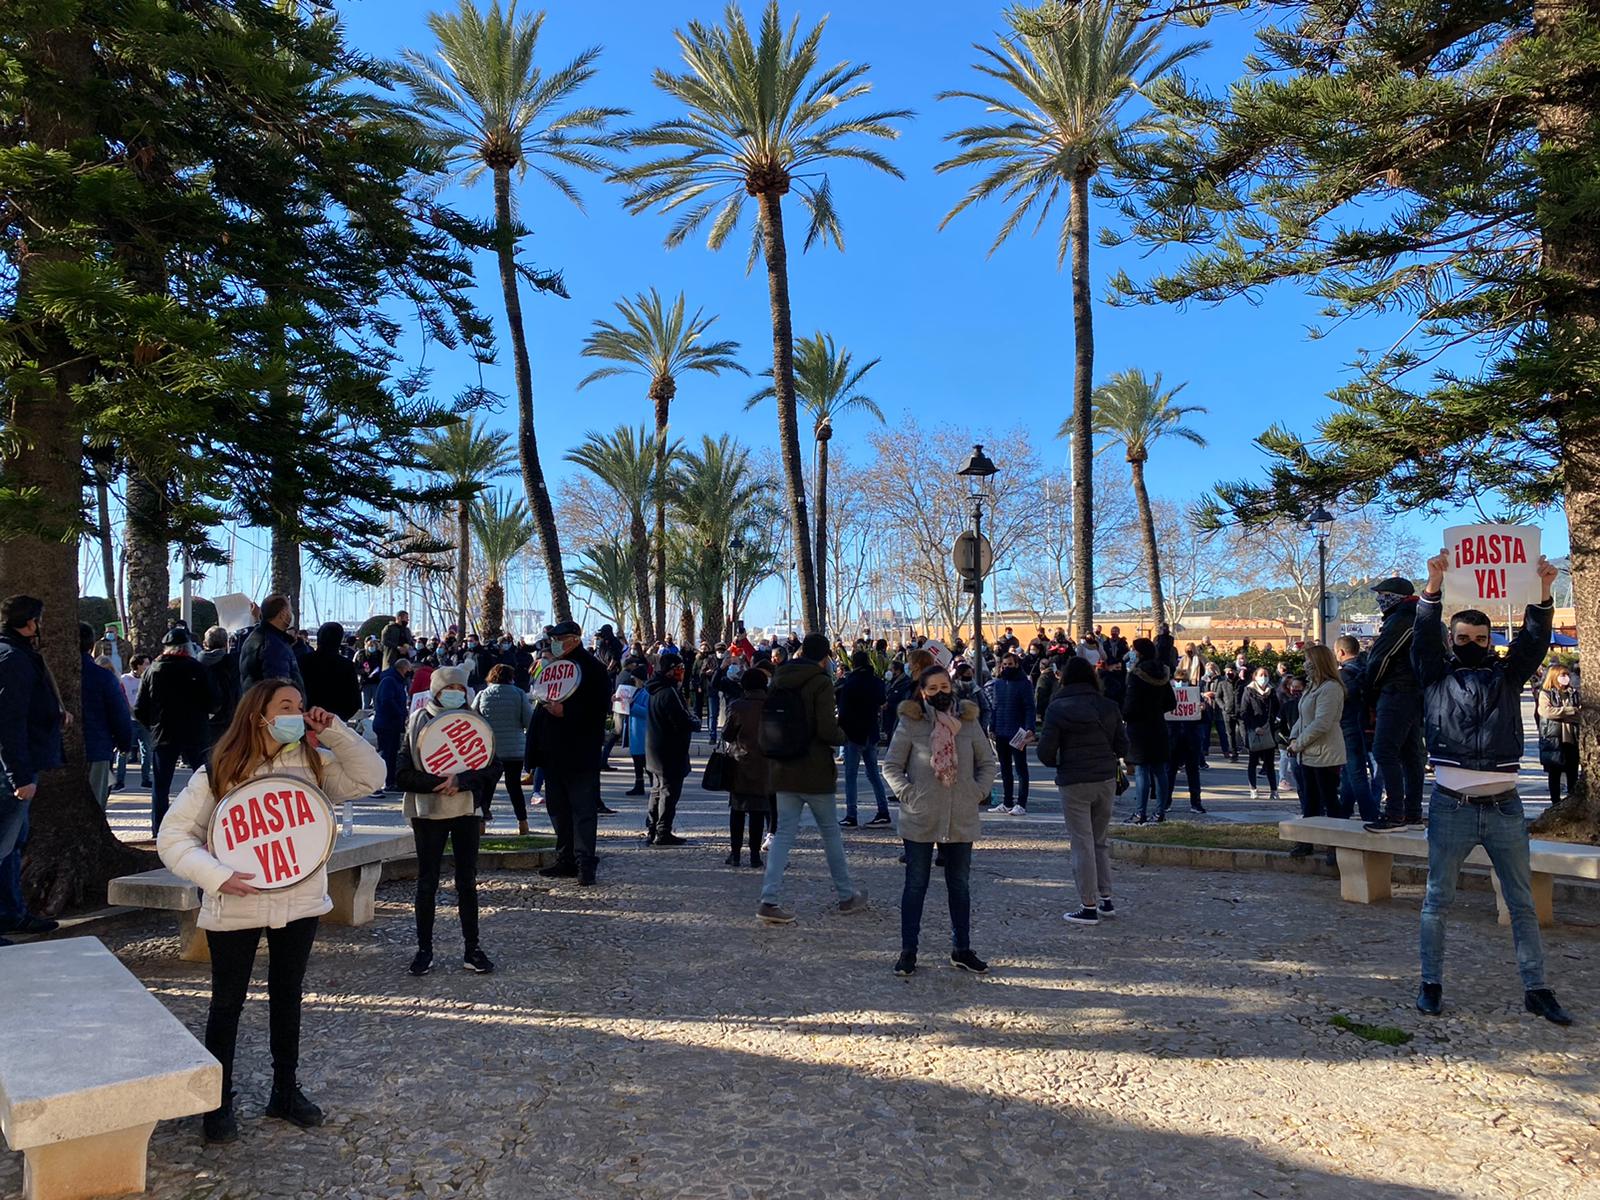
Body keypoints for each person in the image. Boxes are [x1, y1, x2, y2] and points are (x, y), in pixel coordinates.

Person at [158, 678, 385, 1142]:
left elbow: (371, 776)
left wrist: (336, 730)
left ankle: (285, 1090)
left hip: (299, 902)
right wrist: (216, 876)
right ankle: (216, 1103)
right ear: (257, 713)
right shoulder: (218, 769)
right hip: (236, 905)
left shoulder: (314, 765)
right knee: (227, 1003)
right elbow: (173, 837)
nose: (297, 713)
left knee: (288, 996)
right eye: (286, 705)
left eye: (300, 705)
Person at [1411, 550, 1569, 1025]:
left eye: (1481, 638)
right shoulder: (1435, 675)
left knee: (1522, 903)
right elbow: (1422, 639)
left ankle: (1537, 988)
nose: (1473, 643)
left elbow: (1533, 641)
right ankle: (1431, 983)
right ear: (1452, 640)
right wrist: (1433, 588)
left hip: (1504, 808)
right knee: (1438, 900)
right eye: (1464, 638)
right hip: (1450, 805)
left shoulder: (1506, 675)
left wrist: (1543, 592)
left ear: (1490, 640)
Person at [880, 665, 996, 975]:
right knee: (915, 885)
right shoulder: (910, 722)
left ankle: (962, 948)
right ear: (922, 691)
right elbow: (891, 765)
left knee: (959, 885)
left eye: (944, 686)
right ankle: (908, 951)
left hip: (960, 815)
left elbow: (987, 763)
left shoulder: (968, 722)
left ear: (952, 686)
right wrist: (909, 794)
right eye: (932, 688)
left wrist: (977, 791)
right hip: (921, 815)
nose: (940, 693)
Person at [756, 633, 868, 925]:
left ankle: (769, 899)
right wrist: (844, 737)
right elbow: (827, 730)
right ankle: (846, 896)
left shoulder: (779, 678)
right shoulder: (820, 682)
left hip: (783, 767)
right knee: (830, 833)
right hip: (814, 770)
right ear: (825, 656)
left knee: (782, 836)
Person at [396, 666, 495, 977]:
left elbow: (492, 766)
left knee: (467, 882)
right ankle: (424, 950)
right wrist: (436, 782)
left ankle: (472, 949)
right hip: (428, 812)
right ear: (436, 691)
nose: (454, 693)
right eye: (447, 688)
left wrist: (462, 780)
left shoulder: (475, 722)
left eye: (459, 688)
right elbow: (402, 772)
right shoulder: (417, 721)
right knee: (427, 883)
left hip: (466, 810)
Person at [1038, 656, 1128, 924]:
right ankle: (1106, 899)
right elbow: (1123, 747)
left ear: (1064, 678)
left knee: (1082, 842)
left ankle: (1088, 905)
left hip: (1074, 780)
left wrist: (1060, 759)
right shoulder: (1109, 707)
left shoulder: (1057, 708)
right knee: (1099, 840)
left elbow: (1045, 753)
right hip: (1105, 779)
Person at [525, 620, 610, 884]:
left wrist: (568, 712)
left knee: (582, 810)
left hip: (580, 752)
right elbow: (541, 705)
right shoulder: (549, 668)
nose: (553, 643)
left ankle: (585, 863)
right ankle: (566, 859)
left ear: (573, 639)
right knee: (558, 808)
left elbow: (598, 709)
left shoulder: (593, 669)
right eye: (551, 639)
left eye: (558, 639)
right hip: (552, 752)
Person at [0, 597, 63, 943]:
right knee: (3, 844)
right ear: (30, 623)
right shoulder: (13, 660)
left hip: (17, 766)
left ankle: (11, 913)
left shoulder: (17, 656)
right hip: (12, 771)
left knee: (12, 845)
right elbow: (8, 723)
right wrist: (19, 776)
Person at [136, 626, 217, 837]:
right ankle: (210, 826)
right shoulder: (196, 668)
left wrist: (152, 726)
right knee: (207, 783)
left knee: (161, 787)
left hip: (164, 734)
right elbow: (213, 702)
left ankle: (158, 830)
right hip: (195, 734)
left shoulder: (153, 670)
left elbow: (139, 708)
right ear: (188, 647)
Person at [1364, 576, 1426, 832]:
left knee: (1385, 752)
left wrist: (1370, 688)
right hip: (1414, 694)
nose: (1379, 599)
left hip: (1396, 692)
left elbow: (1380, 659)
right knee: (1411, 755)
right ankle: (1412, 813)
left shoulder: (1401, 620)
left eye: (1382, 595)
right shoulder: (1417, 618)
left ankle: (1395, 814)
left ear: (1394, 597)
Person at [1286, 645, 1349, 859]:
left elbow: (1322, 722)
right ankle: (1307, 842)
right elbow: (1303, 718)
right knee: (1310, 800)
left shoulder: (1331, 688)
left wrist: (1300, 743)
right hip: (1308, 754)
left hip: (1325, 754)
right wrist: (1293, 738)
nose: (1305, 665)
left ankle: (1336, 846)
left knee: (1329, 800)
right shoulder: (1312, 687)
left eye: (1308, 660)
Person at [720, 670, 775, 868]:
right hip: (764, 765)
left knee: (737, 811)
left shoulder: (738, 707)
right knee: (758, 813)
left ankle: (735, 854)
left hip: (739, 764)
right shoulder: (771, 706)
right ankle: (754, 856)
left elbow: (727, 735)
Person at [644, 652, 700, 846]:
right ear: (669, 671)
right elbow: (680, 721)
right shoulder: (668, 692)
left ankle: (653, 828)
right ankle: (662, 830)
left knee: (657, 790)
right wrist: (694, 723)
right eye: (678, 670)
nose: (681, 674)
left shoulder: (656, 690)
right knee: (667, 792)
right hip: (669, 751)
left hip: (656, 749)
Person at [473, 664, 533, 835]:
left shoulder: (483, 694)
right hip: (514, 750)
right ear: (510, 677)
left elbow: (473, 718)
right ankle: (523, 823)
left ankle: (482, 824)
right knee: (514, 787)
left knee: (487, 787)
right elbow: (528, 721)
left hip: (490, 750)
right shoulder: (519, 694)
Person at [1121, 638, 1175, 824]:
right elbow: (1171, 702)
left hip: (1139, 727)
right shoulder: (1163, 673)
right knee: (1159, 770)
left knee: (1142, 770)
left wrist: (1125, 715)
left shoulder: (1136, 674)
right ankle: (1160, 812)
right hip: (1158, 725)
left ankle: (1140, 812)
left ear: (1140, 652)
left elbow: (1130, 704)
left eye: (1134, 649)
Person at [836, 649, 890, 827]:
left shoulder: (850, 683)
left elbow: (843, 711)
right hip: (871, 730)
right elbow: (882, 701)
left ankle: (851, 814)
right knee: (873, 774)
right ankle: (883, 811)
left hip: (853, 733)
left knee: (850, 775)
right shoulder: (876, 682)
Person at [80, 621, 131, 808]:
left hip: (56, 751)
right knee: (94, 803)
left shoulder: (47, 673)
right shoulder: (102, 677)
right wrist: (124, 742)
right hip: (97, 746)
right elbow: (119, 712)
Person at [1334, 636, 1381, 822]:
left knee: (1356, 773)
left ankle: (1369, 814)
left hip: (1348, 727)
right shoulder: (1369, 670)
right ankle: (1344, 810)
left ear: (1341, 652)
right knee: (1350, 773)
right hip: (1370, 726)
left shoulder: (1342, 677)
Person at [984, 651, 1036, 815]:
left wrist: (1030, 728)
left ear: (1017, 664)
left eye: (1010, 664)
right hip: (1001, 731)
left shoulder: (1024, 683)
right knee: (1005, 768)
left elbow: (1029, 707)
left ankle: (1021, 803)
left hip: (1018, 731)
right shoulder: (998, 683)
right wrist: (992, 727)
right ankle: (1007, 802)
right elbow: (995, 707)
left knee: (1021, 769)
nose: (1007, 667)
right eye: (1004, 665)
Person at [239, 595, 305, 697]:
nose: (291, 614)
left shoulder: (260, 636)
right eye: (289, 610)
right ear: (282, 614)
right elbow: (279, 689)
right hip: (273, 710)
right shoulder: (274, 645)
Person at [1537, 665, 1580, 806]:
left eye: (1567, 675)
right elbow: (1546, 712)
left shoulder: (1573, 693)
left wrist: (1562, 713)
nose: (1565, 678)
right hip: (1553, 738)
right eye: (1562, 675)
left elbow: (1579, 714)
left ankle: (1572, 801)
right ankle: (1555, 803)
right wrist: (1569, 711)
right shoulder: (1546, 693)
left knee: (1572, 772)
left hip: (1572, 738)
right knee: (1554, 773)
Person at [370, 651, 414, 793]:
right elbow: (387, 701)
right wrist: (401, 713)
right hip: (387, 723)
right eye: (409, 670)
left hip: (391, 723)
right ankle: (387, 782)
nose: (410, 673)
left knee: (391, 753)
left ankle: (390, 781)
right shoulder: (390, 681)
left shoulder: (396, 681)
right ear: (403, 669)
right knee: (388, 753)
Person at [300, 622, 361, 721]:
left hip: (307, 719)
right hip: (334, 722)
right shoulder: (346, 665)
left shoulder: (302, 661)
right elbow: (355, 702)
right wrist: (339, 719)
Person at [1240, 667, 1281, 800]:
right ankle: (1253, 789)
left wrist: (1275, 723)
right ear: (1255, 676)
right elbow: (1244, 712)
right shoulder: (1249, 691)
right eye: (1261, 675)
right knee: (1253, 761)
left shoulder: (1272, 691)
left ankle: (1274, 790)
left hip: (1268, 730)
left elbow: (1277, 709)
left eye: (1266, 675)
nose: (1264, 677)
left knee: (1269, 763)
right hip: (1254, 731)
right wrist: (1254, 726)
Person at [117, 654, 153, 789]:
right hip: (129, 720)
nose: (148, 666)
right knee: (123, 751)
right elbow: (122, 698)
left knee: (147, 750)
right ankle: (119, 780)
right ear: (138, 666)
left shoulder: (149, 679)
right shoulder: (124, 679)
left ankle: (146, 779)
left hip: (144, 721)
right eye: (146, 664)